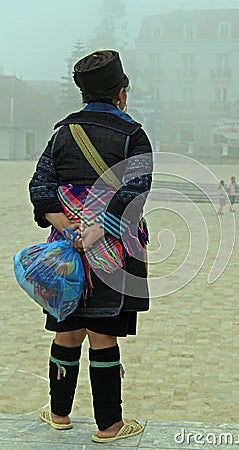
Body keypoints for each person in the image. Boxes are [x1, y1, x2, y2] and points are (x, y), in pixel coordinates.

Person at [29, 50, 153, 443]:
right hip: (113, 250)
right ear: (122, 93)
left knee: (66, 333)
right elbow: (136, 189)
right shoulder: (133, 134)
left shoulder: (63, 133)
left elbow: (41, 187)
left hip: (66, 251)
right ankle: (109, 426)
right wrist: (99, 230)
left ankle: (59, 414)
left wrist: (70, 228)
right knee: (103, 337)